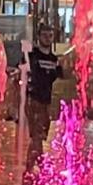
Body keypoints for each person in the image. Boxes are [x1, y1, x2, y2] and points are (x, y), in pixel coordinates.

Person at [25, 24, 65, 171]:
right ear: (39, 37)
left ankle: (36, 166)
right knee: (37, 135)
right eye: (44, 35)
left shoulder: (54, 60)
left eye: (50, 35)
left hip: (47, 102)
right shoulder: (32, 56)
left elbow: (62, 79)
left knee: (41, 136)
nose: (47, 38)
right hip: (34, 100)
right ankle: (37, 167)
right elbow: (22, 71)